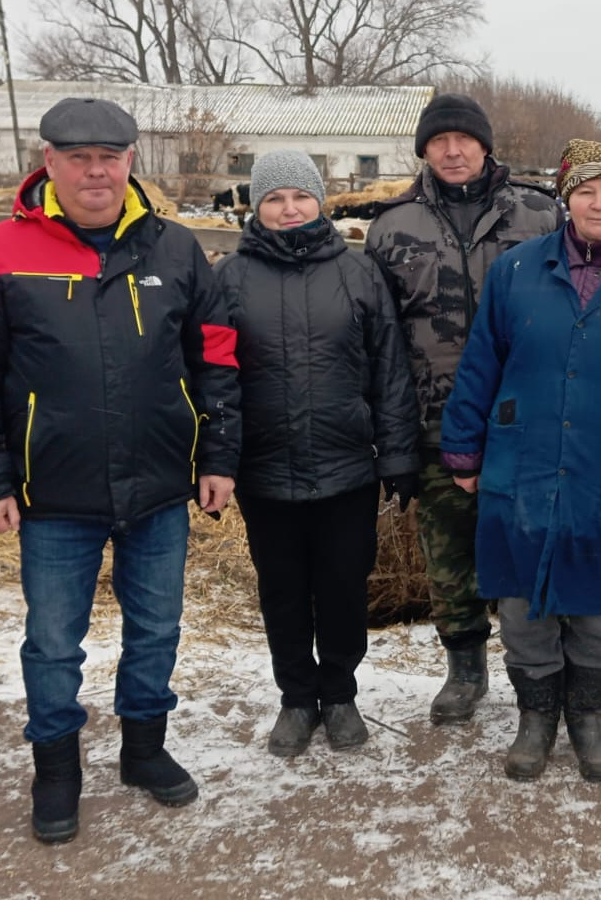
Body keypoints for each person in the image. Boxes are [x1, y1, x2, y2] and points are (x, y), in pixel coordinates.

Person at [0, 98, 241, 844]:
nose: (96, 172)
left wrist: (218, 458)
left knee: (157, 628)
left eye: (110, 157)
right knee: (52, 641)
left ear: (131, 161)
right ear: (50, 162)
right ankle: (57, 768)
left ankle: (144, 748)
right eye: (78, 158)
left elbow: (217, 357)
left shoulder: (175, 248)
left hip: (159, 484)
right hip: (51, 492)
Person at [440, 139, 601, 782]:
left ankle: (586, 714)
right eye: (585, 191)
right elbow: (481, 363)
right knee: (521, 600)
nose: (599, 203)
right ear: (566, 199)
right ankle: (535, 715)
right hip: (523, 460)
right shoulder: (518, 270)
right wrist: (463, 446)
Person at [365, 94, 565, 725]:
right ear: (423, 150)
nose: (453, 151)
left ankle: (558, 670)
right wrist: (393, 438)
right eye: (438, 141)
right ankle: (465, 668)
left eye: (464, 139)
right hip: (434, 417)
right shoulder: (392, 226)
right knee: (448, 554)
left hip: (529, 417)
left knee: (539, 543)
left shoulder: (540, 213)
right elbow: (380, 340)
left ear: (486, 145)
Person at [215, 150, 419, 758]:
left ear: (320, 202)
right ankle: (297, 698)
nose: (289, 209)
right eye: (275, 198)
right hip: (266, 469)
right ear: (257, 206)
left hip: (346, 467)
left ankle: (340, 693)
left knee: (343, 586)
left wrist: (397, 453)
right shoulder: (230, 277)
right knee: (281, 589)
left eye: (300, 196)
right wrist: (216, 459)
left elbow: (389, 368)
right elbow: (214, 375)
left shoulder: (358, 272)